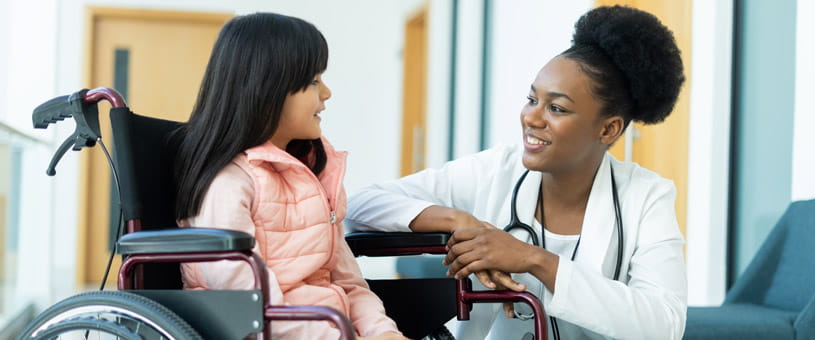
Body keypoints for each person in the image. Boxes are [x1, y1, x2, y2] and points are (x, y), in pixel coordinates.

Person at [346, 5, 686, 340]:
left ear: (608, 130)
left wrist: (534, 260)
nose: (531, 118)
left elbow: (664, 324)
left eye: (556, 108)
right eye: (531, 99)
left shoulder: (645, 196)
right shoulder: (495, 171)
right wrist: (461, 222)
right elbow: (361, 205)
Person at [174, 13, 406, 340]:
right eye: (314, 81)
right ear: (267, 89)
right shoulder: (229, 183)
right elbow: (247, 306)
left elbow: (347, 282)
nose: (327, 93)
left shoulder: (313, 175)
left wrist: (382, 332)